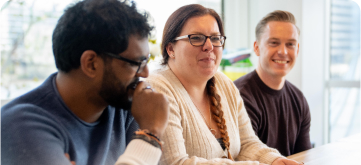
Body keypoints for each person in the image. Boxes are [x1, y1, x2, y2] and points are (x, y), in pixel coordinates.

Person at [1, 0, 169, 165]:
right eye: (136, 63)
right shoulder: (20, 126)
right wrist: (150, 136)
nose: (145, 73)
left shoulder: (127, 105)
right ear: (91, 64)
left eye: (146, 61)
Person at [146, 4, 302, 165]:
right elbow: (175, 162)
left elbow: (247, 144)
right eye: (197, 38)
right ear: (170, 49)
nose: (209, 46)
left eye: (215, 38)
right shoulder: (157, 89)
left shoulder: (223, 83)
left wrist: (275, 160)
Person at [233, 10, 312, 156]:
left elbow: (304, 157)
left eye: (290, 44)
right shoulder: (239, 96)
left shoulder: (298, 99)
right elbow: (245, 158)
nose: (283, 51)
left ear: (297, 49)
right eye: (274, 43)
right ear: (256, 48)